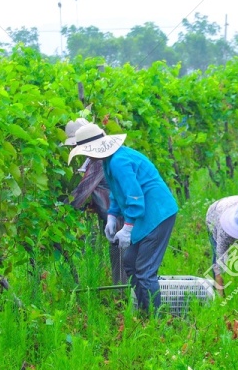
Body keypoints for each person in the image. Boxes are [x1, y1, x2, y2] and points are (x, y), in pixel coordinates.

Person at [68, 123, 178, 312]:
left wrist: (127, 228)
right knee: (130, 263)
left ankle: (157, 320)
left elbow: (135, 197)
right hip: (146, 213)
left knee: (145, 271)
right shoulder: (109, 161)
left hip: (157, 214)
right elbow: (117, 193)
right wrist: (112, 216)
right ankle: (145, 311)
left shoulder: (119, 161)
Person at [62, 118, 126, 284]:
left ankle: (125, 298)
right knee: (121, 258)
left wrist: (59, 212)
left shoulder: (98, 161)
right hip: (116, 216)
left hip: (121, 217)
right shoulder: (95, 159)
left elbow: (81, 194)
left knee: (123, 260)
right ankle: (123, 297)